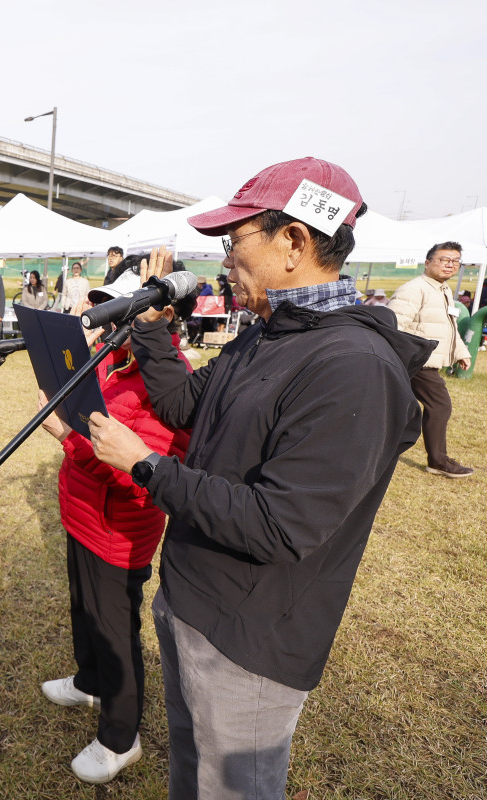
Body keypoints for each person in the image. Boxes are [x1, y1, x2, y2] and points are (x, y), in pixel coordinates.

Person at [84, 157, 432, 799]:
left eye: (234, 240)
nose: (223, 260)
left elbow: (280, 524)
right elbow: (187, 407)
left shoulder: (351, 365)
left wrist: (146, 465)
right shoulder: (268, 335)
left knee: (230, 785)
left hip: (250, 637)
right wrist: (155, 336)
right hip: (195, 599)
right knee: (192, 773)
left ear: (293, 242)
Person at [37, 288, 195, 784]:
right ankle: (89, 681)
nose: (107, 320)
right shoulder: (111, 359)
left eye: (120, 310)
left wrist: (68, 439)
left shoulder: (170, 383)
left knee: (115, 632)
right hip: (80, 512)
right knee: (83, 609)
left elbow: (139, 478)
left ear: (161, 317)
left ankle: (121, 737)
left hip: (118, 533)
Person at [387, 242, 474, 478]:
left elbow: (449, 326)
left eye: (455, 261)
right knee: (440, 405)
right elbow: (393, 325)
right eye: (444, 259)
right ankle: (438, 461)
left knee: (400, 408)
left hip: (424, 359)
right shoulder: (414, 289)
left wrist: (461, 353)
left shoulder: (442, 289)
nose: (450, 265)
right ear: (428, 262)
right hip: (416, 360)